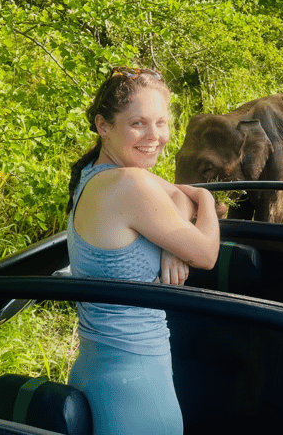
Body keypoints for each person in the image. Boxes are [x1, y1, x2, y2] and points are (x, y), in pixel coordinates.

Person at [65, 67, 220, 435]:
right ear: (104, 126)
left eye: (162, 122)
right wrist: (208, 200)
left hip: (95, 366)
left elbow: (177, 200)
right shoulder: (129, 183)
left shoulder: (95, 174)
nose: (155, 137)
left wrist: (172, 245)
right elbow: (208, 253)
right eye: (138, 124)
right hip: (136, 383)